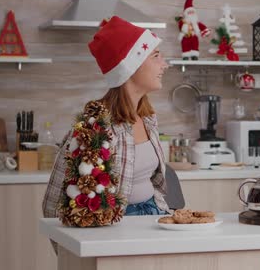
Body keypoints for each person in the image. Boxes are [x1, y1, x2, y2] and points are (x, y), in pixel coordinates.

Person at [43, 16, 171, 218]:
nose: (165, 65)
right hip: (115, 226)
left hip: (154, 216)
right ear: (131, 66)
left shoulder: (148, 118)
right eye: (156, 56)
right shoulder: (94, 128)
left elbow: (153, 183)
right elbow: (54, 203)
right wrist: (74, 248)